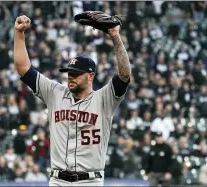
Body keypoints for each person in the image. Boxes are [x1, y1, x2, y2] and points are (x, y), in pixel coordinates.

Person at [13, 15, 131, 186]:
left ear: (91, 76)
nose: (71, 77)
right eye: (69, 73)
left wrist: (115, 35)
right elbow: (23, 68)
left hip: (90, 181)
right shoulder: (55, 93)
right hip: (58, 180)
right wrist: (19, 33)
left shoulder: (104, 99)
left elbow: (125, 74)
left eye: (76, 74)